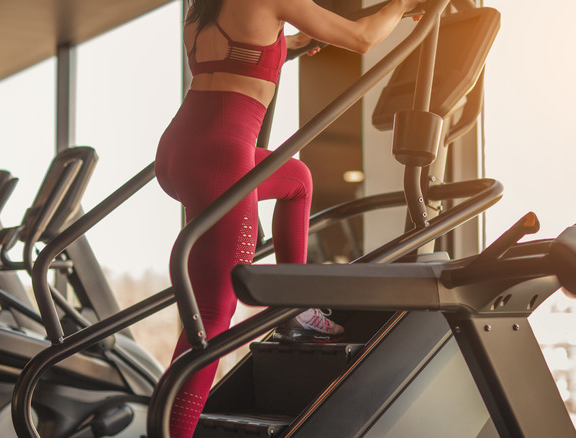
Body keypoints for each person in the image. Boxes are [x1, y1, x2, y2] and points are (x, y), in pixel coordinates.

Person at [154, 0, 426, 435]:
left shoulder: (201, 6)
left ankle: (296, 303)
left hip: (181, 149)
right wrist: (403, 4)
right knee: (211, 314)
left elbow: (240, 54)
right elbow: (362, 39)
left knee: (296, 177)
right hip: (222, 154)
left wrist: (293, 44)